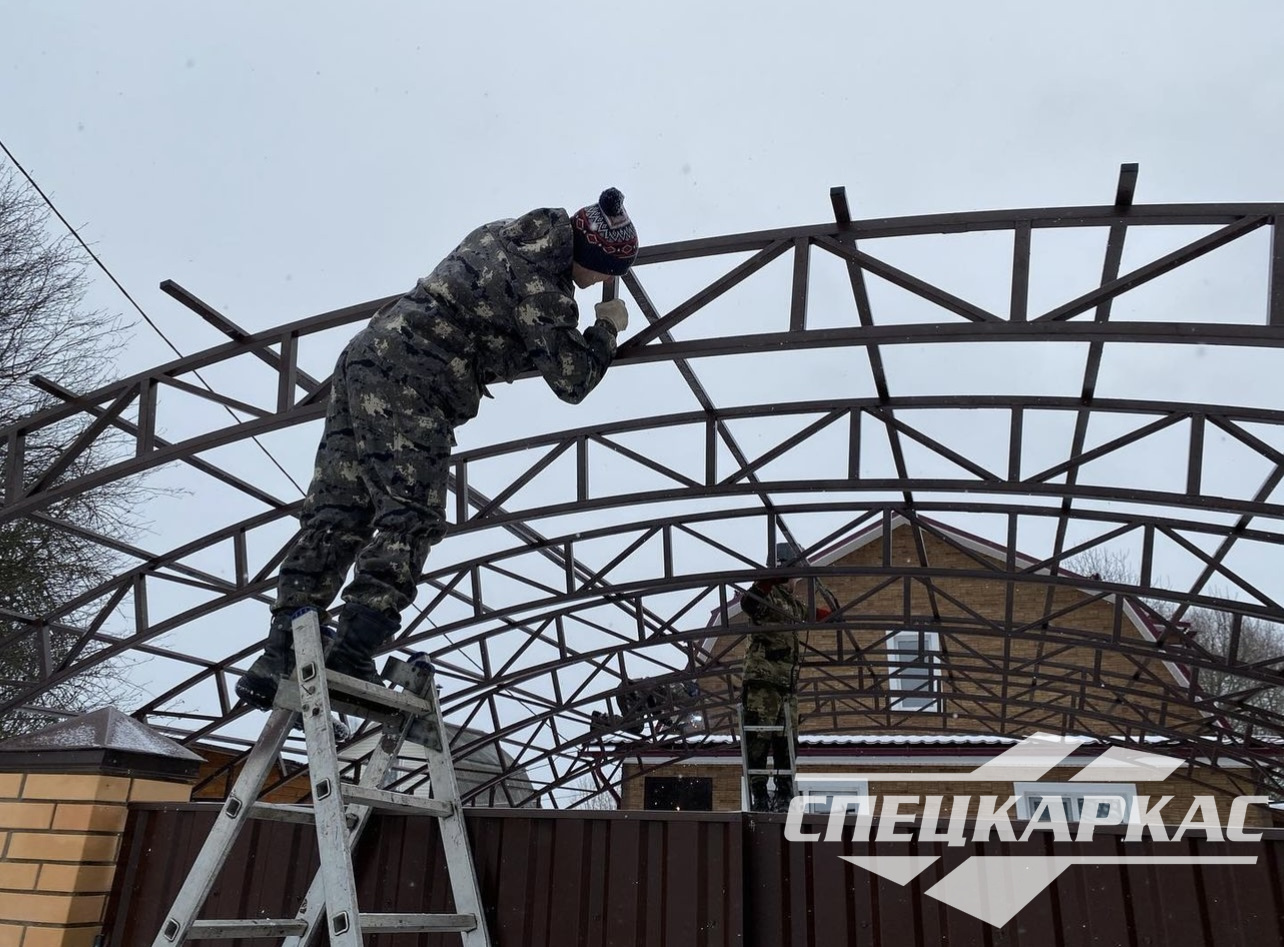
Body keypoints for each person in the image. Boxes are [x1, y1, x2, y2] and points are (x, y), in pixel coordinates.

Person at [236, 188, 640, 710]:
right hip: (416, 381)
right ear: (595, 259)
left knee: (337, 514)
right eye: (604, 273)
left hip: (366, 358)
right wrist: (606, 327)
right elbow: (572, 379)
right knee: (411, 517)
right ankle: (352, 650)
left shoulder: (502, 234)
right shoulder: (544, 286)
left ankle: (279, 655)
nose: (597, 283)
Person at [740, 574, 830, 812]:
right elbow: (749, 603)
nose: (795, 583)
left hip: (786, 685)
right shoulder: (768, 595)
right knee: (759, 737)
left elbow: (811, 613)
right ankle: (760, 794)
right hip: (763, 680)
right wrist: (768, 580)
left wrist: (833, 615)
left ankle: (784, 793)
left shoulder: (792, 604)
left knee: (787, 742)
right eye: (793, 579)